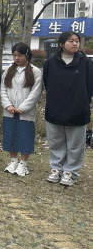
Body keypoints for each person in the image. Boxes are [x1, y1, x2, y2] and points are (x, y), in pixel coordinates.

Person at [43, 31, 93, 186]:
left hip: (78, 110)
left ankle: (70, 172)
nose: (75, 43)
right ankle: (56, 169)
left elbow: (90, 86)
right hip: (55, 109)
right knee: (55, 142)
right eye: (71, 41)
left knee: (75, 145)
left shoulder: (85, 62)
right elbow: (47, 83)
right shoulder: (51, 63)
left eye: (77, 41)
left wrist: (83, 101)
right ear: (61, 44)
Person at [0, 43, 43, 176]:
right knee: (10, 136)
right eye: (14, 55)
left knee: (25, 137)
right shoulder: (8, 71)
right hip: (10, 111)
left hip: (26, 112)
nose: (17, 58)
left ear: (27, 55)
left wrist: (23, 107)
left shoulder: (35, 71)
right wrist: (8, 105)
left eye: (20, 55)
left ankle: (23, 164)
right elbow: (3, 89)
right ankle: (13, 161)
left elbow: (35, 92)